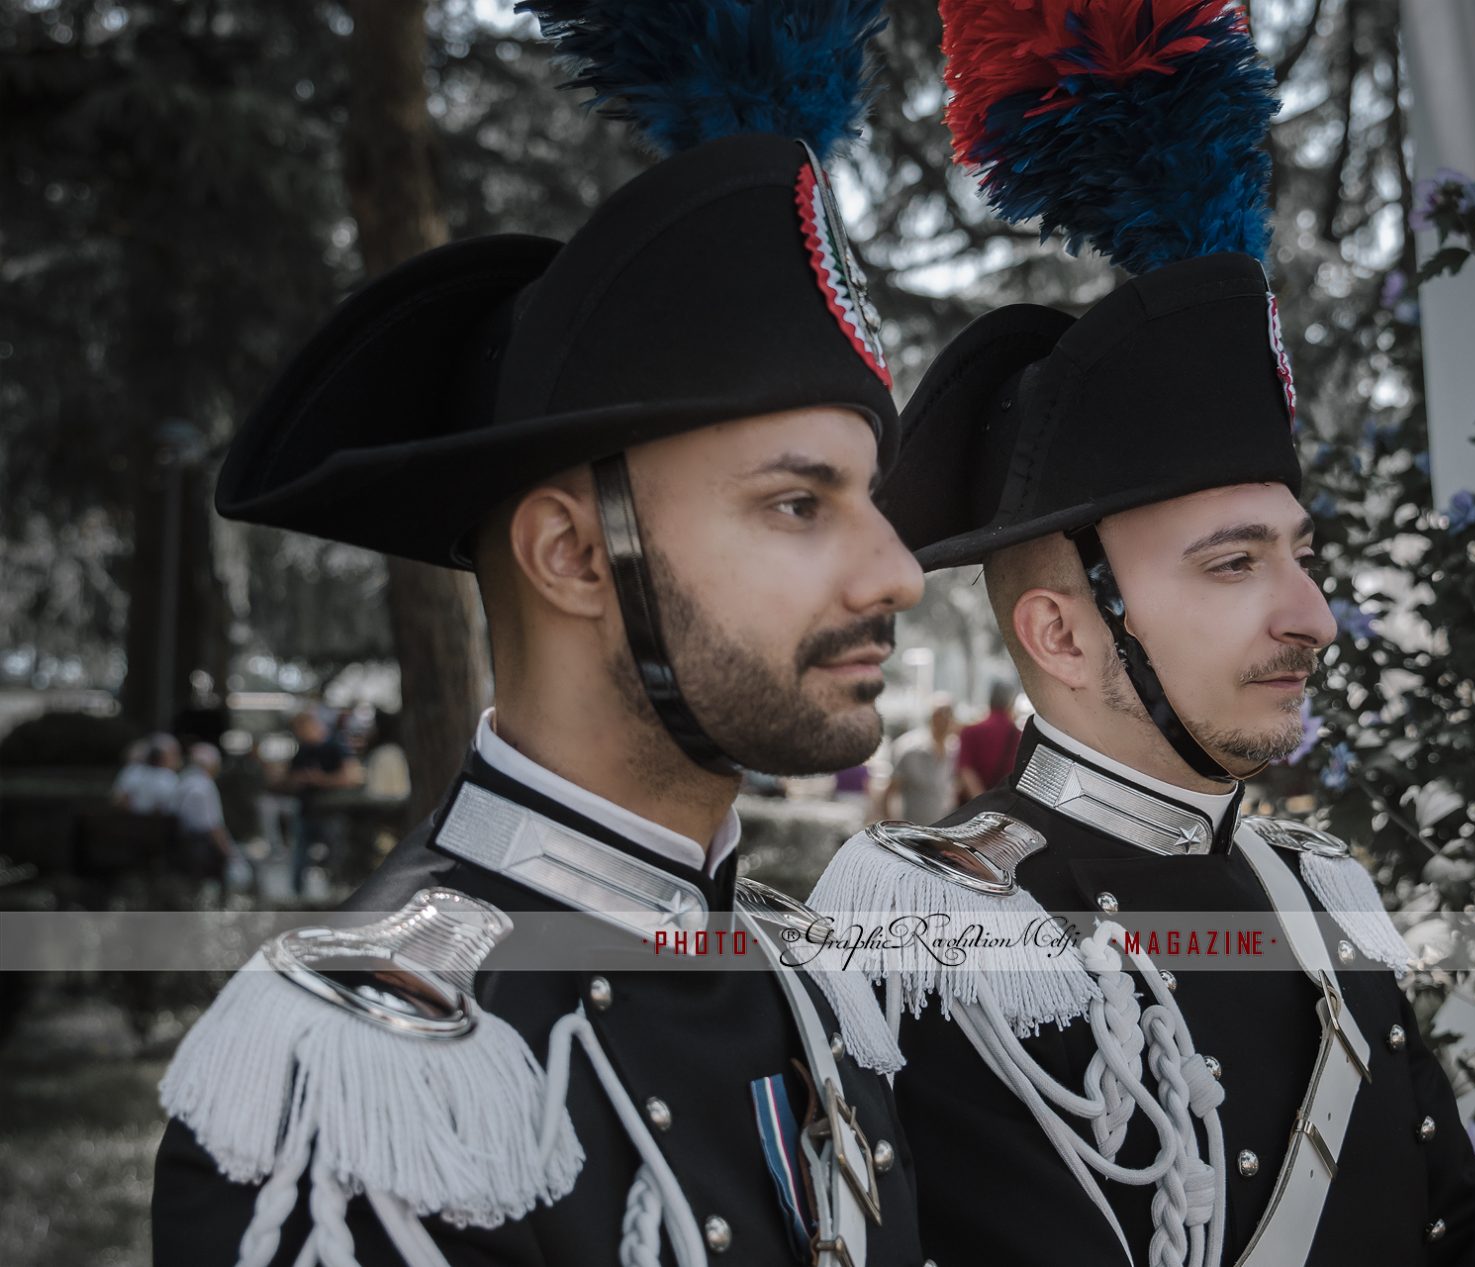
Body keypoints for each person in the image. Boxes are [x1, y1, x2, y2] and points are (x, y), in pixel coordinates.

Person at [151, 5, 926, 1265]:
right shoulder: (353, 1071)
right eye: (800, 503)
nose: (898, 571)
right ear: (570, 556)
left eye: (873, 501)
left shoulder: (813, 984)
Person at [807, 3, 1475, 1264]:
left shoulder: (1324, 895)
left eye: (1300, 554)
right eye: (1235, 564)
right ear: (1064, 634)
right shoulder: (931, 934)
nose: (1310, 614)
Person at [279, 707, 363, 896]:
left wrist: (321, 780)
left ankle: (338, 893)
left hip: (332, 811)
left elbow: (353, 777)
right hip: (307, 810)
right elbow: (287, 779)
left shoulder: (336, 746)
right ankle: (298, 896)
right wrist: (298, 780)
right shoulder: (303, 750)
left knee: (336, 855)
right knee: (300, 855)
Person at [878, 695, 959, 825]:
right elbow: (890, 791)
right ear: (932, 717)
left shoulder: (954, 749)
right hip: (910, 829)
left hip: (941, 830)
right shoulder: (909, 749)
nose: (945, 720)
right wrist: (890, 826)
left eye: (949, 715)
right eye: (941, 715)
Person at [175, 743, 234, 897]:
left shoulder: (182, 780)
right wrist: (230, 853)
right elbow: (214, 826)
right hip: (199, 846)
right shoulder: (205, 785)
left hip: (180, 842)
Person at [954, 679, 1021, 801]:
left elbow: (966, 771)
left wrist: (982, 802)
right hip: (1006, 805)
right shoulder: (1018, 735)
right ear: (1010, 703)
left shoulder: (970, 731)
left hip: (975, 806)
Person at [111, 732, 182, 815]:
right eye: (172, 754)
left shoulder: (132, 770)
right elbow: (119, 800)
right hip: (137, 822)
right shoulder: (168, 777)